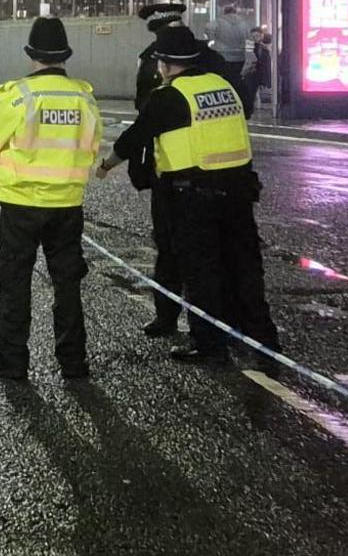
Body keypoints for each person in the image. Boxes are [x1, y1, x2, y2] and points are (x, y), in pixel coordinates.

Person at [101, 23, 280, 364]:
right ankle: (264, 340)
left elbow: (134, 138)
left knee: (202, 271)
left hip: (194, 196)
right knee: (244, 267)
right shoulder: (224, 86)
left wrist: (107, 165)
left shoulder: (169, 96)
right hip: (239, 192)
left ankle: (210, 344)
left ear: (166, 65)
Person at [0, 17, 103, 382]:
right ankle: (73, 363)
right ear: (65, 55)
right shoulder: (84, 98)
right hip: (67, 204)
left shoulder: (19, 97)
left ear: (31, 54)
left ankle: (13, 362)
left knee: (15, 283)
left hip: (20, 204)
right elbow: (93, 148)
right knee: (67, 285)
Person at [131, 2, 187, 336]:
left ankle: (168, 316)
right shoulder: (210, 57)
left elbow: (145, 112)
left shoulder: (153, 57)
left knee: (168, 245)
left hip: (170, 167)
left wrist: (137, 162)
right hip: (223, 169)